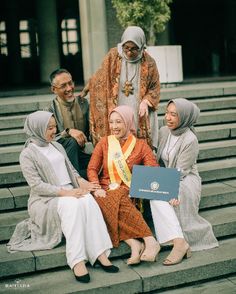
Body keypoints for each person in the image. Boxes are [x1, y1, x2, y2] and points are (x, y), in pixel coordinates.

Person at [7, 111, 119, 283]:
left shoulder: (57, 146)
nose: (54, 131)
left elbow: (72, 171)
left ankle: (99, 253)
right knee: (72, 205)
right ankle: (77, 260)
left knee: (89, 200)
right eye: (49, 128)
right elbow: (37, 186)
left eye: (54, 127)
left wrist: (84, 184)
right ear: (37, 128)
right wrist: (68, 193)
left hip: (69, 191)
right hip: (46, 199)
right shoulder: (27, 154)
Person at [87, 105, 160, 265]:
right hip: (104, 189)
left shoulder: (140, 145)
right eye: (111, 122)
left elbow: (152, 168)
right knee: (109, 199)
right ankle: (142, 242)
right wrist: (97, 187)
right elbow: (92, 168)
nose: (114, 126)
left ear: (127, 122)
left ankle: (139, 244)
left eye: (118, 122)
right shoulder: (104, 143)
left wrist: (138, 184)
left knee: (118, 195)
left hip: (129, 190)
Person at [150, 98, 219, 266]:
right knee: (153, 194)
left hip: (186, 179)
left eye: (174, 114)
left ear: (185, 117)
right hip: (168, 175)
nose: (168, 117)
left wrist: (167, 187)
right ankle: (180, 242)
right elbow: (157, 159)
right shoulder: (164, 131)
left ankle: (178, 244)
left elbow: (181, 171)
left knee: (159, 194)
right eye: (167, 112)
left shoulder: (190, 139)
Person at [80, 26, 160, 147]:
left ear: (142, 47)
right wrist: (86, 89)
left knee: (135, 139)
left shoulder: (149, 62)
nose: (129, 52)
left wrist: (146, 101)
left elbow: (155, 87)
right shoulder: (113, 55)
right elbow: (99, 77)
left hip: (137, 106)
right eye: (126, 48)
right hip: (118, 104)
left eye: (134, 49)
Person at [46, 68, 92, 179]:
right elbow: (47, 139)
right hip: (64, 156)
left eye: (70, 83)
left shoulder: (83, 103)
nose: (69, 88)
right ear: (54, 89)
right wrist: (68, 131)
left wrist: (90, 87)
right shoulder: (49, 111)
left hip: (84, 154)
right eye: (63, 86)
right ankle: (76, 180)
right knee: (71, 142)